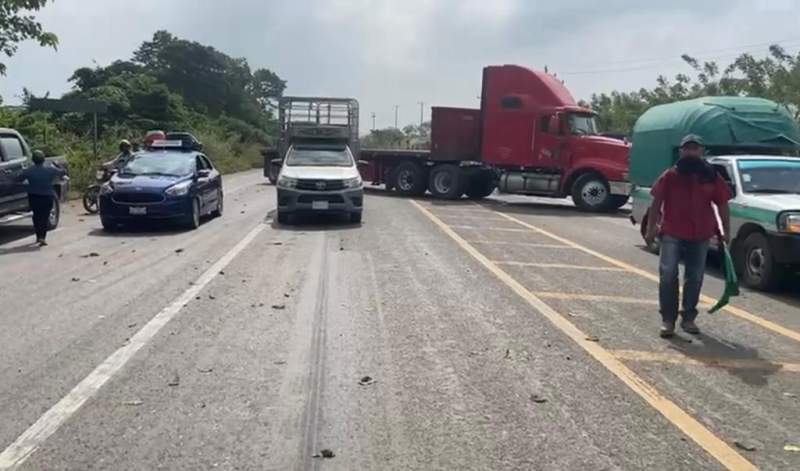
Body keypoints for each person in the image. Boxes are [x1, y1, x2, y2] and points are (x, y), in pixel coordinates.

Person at [645, 134, 732, 338]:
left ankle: (689, 318)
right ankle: (668, 320)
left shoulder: (711, 176)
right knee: (668, 274)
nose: (691, 152)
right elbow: (656, 202)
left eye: (695, 148)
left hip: (701, 234)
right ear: (681, 152)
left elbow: (723, 204)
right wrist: (651, 228)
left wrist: (726, 232)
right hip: (673, 232)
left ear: (702, 152)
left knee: (695, 277)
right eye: (687, 148)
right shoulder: (671, 175)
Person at [16, 151, 67, 246]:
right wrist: (58, 166)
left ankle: (38, 236)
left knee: (36, 216)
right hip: (47, 197)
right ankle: (42, 237)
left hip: (34, 197)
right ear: (43, 159)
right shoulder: (50, 169)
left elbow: (18, 179)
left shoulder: (29, 170)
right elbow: (63, 172)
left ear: (33, 160)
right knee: (44, 217)